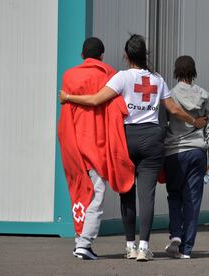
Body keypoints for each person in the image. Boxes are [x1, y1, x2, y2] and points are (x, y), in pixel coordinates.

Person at [59, 34, 207, 262]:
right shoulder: (157, 79)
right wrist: (194, 121)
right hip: (153, 139)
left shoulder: (121, 77)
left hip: (126, 139)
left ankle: (129, 245)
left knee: (126, 192)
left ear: (126, 56)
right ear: (144, 54)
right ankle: (143, 247)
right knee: (146, 195)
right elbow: (174, 110)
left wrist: (69, 97)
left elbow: (96, 100)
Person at [57, 37, 134, 260]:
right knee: (96, 194)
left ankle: (79, 238)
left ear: (82, 55)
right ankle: (84, 243)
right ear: (101, 56)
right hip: (98, 145)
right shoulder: (110, 74)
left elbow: (66, 112)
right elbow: (120, 109)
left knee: (80, 191)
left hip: (75, 143)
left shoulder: (69, 76)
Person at [163, 56, 209, 259]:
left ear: (176, 72)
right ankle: (186, 249)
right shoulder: (205, 96)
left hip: (174, 153)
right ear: (193, 72)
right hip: (197, 152)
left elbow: (162, 125)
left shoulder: (169, 96)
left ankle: (175, 235)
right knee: (192, 200)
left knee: (175, 195)